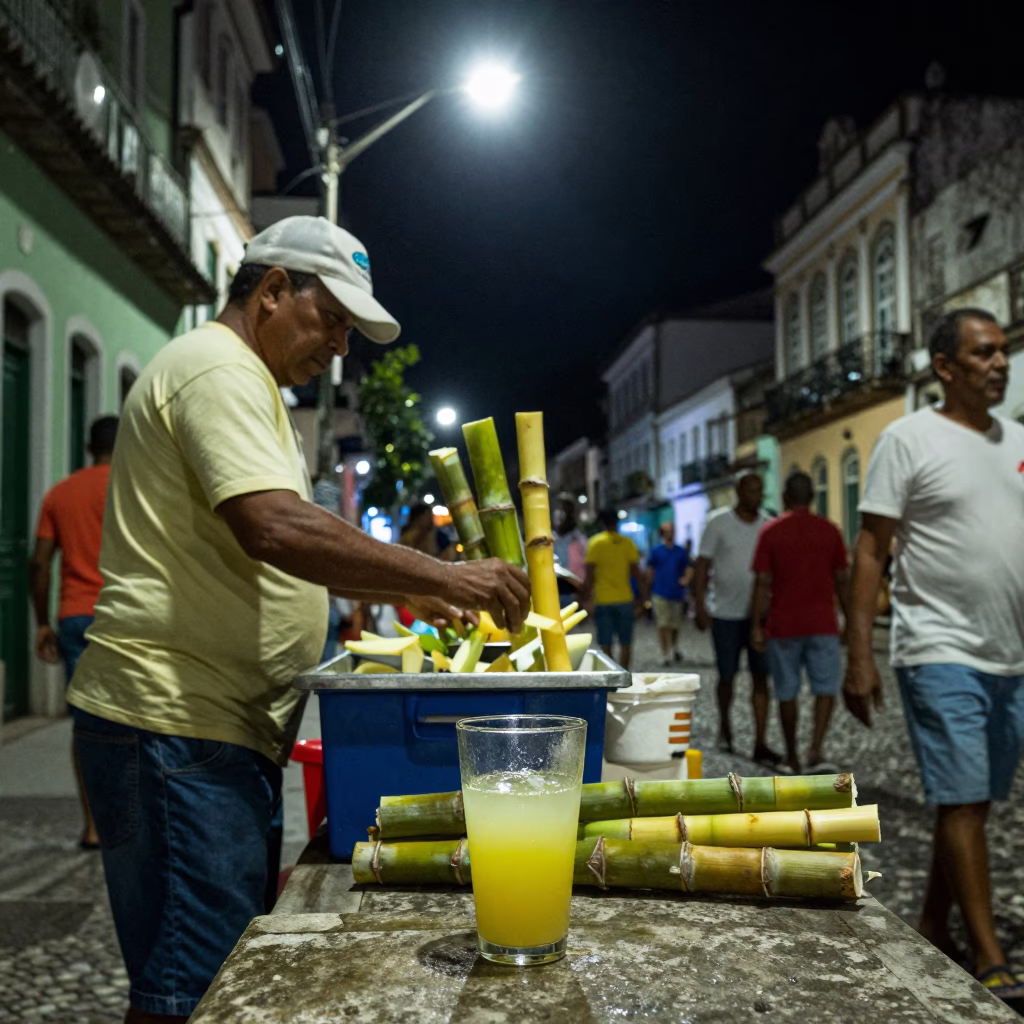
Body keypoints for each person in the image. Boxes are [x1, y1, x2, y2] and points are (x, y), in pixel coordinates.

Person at [65, 216, 531, 1024]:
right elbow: (275, 526)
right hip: (174, 727)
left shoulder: (242, 379)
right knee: (194, 989)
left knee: (204, 976)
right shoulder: (217, 369)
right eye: (334, 321)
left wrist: (400, 588)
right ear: (274, 290)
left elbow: (272, 537)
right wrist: (447, 577)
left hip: (207, 733)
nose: (340, 348)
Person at [843, 308, 1024, 1004]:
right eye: (984, 353)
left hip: (1009, 652)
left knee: (972, 803)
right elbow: (870, 550)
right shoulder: (907, 439)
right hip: (938, 646)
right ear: (945, 367)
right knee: (964, 800)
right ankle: (989, 953)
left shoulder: (1016, 440)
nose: (1000, 363)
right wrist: (860, 655)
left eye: (1004, 351)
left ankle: (931, 920)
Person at [29, 414, 119, 850]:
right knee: (133, 721)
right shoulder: (135, 491)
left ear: (88, 448)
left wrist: (41, 621)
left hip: (75, 617)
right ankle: (127, 821)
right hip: (125, 618)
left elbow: (40, 562)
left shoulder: (61, 493)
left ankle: (92, 825)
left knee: (86, 725)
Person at [750, 471, 849, 776]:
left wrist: (756, 624)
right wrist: (849, 617)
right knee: (825, 688)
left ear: (784, 497)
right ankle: (815, 749)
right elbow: (842, 579)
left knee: (786, 691)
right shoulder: (830, 531)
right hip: (823, 623)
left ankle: (792, 754)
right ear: (813, 497)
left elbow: (763, 583)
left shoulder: (771, 532)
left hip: (783, 625)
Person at [693, 473, 779, 766]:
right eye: (750, 489)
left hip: (760, 617)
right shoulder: (718, 522)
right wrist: (701, 605)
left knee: (760, 677)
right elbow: (702, 565)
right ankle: (725, 728)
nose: (756, 494)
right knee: (727, 676)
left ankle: (760, 740)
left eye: (759, 489)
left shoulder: (768, 524)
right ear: (738, 491)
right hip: (726, 615)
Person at [581, 507, 644, 669]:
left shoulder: (595, 543)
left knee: (606, 642)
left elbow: (589, 576)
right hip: (625, 599)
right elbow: (637, 574)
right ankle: (624, 672)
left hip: (603, 600)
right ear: (617, 522)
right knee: (626, 642)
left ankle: (611, 673)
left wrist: (585, 599)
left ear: (602, 523)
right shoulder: (627, 543)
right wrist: (644, 599)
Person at [646, 520, 690, 666]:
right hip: (660, 592)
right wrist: (647, 589)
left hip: (677, 593)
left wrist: (686, 579)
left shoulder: (680, 551)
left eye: (671, 531)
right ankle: (665, 653)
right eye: (666, 531)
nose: (669, 534)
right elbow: (650, 570)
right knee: (663, 624)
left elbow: (688, 567)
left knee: (675, 624)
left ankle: (674, 646)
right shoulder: (656, 551)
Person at [553, 501, 587, 608]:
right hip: (552, 592)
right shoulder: (549, 538)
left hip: (573, 592)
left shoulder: (580, 539)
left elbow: (587, 567)